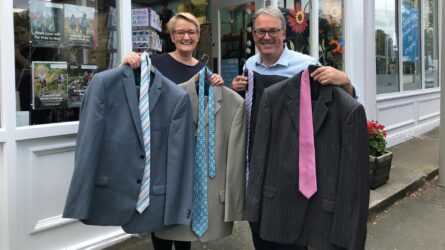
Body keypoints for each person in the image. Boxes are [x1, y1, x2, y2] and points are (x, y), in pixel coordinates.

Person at [232, 6, 357, 250]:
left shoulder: (306, 66)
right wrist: (237, 88)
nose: (266, 36)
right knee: (258, 227)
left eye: (272, 31)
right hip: (256, 161)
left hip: (291, 166)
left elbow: (339, 105)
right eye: (260, 31)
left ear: (283, 33)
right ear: (253, 35)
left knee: (290, 233)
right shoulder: (249, 65)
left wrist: (346, 83)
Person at [122, 12, 224, 250]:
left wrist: (218, 85)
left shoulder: (204, 70)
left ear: (198, 36)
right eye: (180, 32)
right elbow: (129, 86)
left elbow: (210, 112)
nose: (186, 36)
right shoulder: (156, 63)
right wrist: (127, 62)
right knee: (162, 206)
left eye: (191, 32)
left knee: (184, 205)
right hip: (161, 147)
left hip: (191, 149)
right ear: (172, 36)